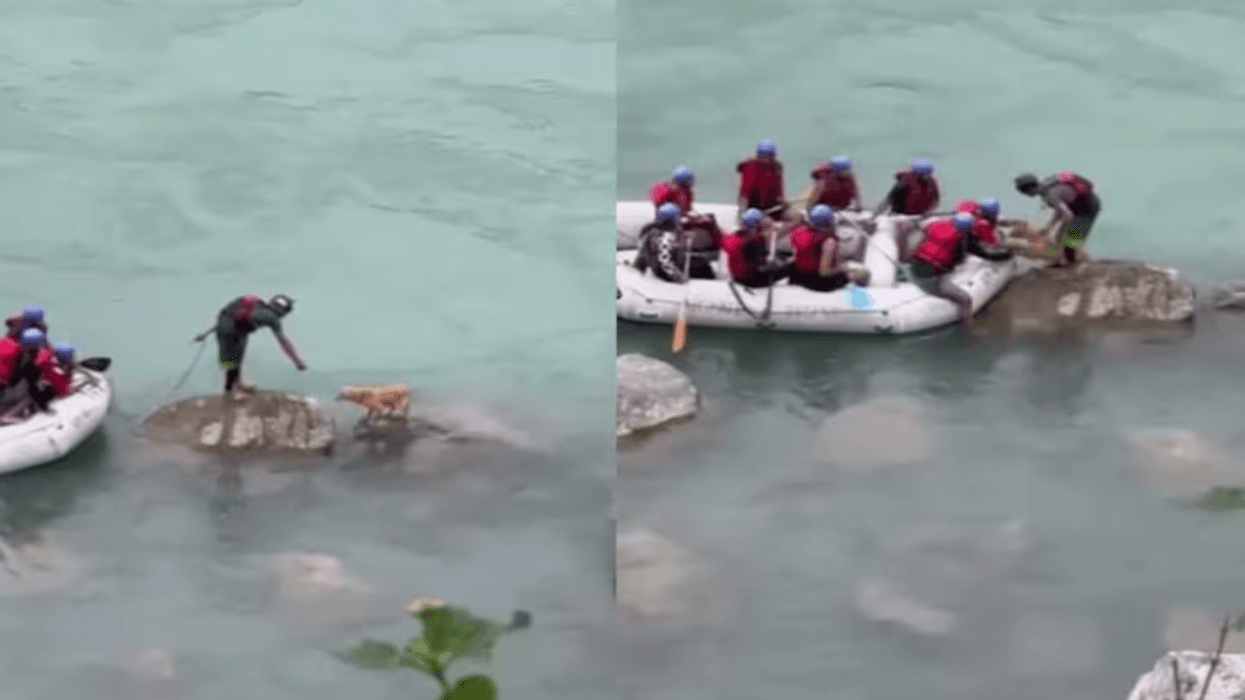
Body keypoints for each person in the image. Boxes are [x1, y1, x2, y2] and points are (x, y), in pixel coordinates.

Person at [900, 212, 1014, 325]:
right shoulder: (962, 239)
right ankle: (966, 329)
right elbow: (987, 255)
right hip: (932, 279)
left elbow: (920, 225)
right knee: (965, 300)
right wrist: (1007, 255)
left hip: (914, 268)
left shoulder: (934, 226)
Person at [193, 293, 306, 400]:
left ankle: (237, 381)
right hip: (232, 331)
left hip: (228, 326)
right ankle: (229, 392)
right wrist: (297, 361)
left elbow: (229, 312)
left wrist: (207, 333)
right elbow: (283, 341)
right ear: (282, 312)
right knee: (231, 362)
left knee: (232, 358)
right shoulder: (272, 318)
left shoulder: (257, 303)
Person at [1014, 171, 1101, 267]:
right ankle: (1065, 259)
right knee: (1059, 238)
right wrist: (1050, 227)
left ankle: (1072, 264)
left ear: (1028, 190)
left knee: (1069, 239)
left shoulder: (1051, 194)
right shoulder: (1046, 186)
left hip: (1088, 208)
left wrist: (1057, 228)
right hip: (1077, 206)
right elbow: (1060, 210)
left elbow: (1067, 214)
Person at [788, 205, 870, 292]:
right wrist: (842, 268)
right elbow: (824, 272)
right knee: (864, 274)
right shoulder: (829, 241)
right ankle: (858, 299)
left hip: (798, 277)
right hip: (819, 282)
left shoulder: (797, 232)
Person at [633, 202, 714, 282]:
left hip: (662, 264)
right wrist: (679, 278)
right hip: (667, 272)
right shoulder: (665, 236)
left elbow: (643, 253)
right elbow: (664, 261)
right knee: (703, 265)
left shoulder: (651, 230)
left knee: (699, 261)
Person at [720, 208, 789, 288]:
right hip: (752, 280)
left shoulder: (730, 238)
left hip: (736, 278)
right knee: (791, 267)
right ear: (758, 225)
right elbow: (764, 263)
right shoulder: (755, 239)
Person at [0, 328, 58, 420]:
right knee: (30, 395)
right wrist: (44, 407)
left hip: (3, 386)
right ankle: (7, 416)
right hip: (6, 391)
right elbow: (33, 389)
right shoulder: (30, 362)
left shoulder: (12, 346)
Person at [736, 139, 792, 221]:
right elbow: (744, 196)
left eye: (770, 157)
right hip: (754, 208)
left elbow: (779, 190)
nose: (766, 160)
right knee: (767, 222)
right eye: (763, 157)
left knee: (796, 216)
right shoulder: (749, 168)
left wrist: (783, 202)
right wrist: (742, 214)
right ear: (758, 156)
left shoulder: (777, 167)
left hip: (772, 207)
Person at [875, 157, 940, 216]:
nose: (926, 176)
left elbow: (887, 201)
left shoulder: (904, 182)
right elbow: (887, 201)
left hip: (918, 215)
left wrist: (874, 216)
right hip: (904, 215)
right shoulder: (904, 183)